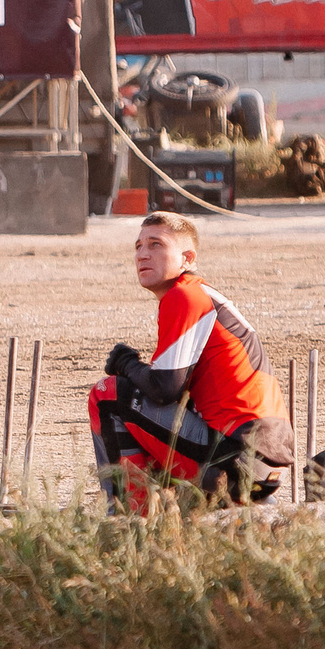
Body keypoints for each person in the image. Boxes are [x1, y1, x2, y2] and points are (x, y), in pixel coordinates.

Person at [87, 214, 294, 508]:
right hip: (260, 465)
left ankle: (126, 518)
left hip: (237, 458)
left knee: (107, 393)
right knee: (144, 412)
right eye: (138, 246)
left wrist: (127, 364)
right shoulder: (202, 295)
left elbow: (164, 389)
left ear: (187, 258)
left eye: (156, 244)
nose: (143, 254)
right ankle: (176, 510)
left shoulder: (185, 296)